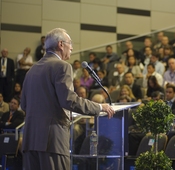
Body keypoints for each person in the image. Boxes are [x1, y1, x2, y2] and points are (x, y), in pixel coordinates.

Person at [20, 28, 114, 170]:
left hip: (30, 140)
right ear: (61, 44)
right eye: (70, 43)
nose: (71, 47)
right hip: (52, 141)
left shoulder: (31, 70)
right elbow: (69, 101)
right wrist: (101, 107)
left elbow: (24, 105)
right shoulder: (62, 66)